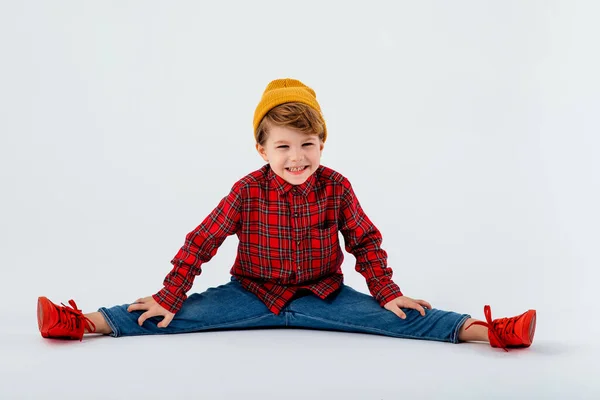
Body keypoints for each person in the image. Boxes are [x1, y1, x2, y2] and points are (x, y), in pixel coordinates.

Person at [37, 78, 536, 351]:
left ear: (322, 144)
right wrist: (171, 294)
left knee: (400, 318)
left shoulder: (336, 186)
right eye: (283, 146)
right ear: (261, 149)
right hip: (251, 294)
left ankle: (490, 331)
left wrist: (386, 292)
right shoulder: (247, 191)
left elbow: (364, 241)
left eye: (307, 145)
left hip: (324, 296)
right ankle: (80, 321)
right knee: (168, 317)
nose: (296, 157)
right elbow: (201, 242)